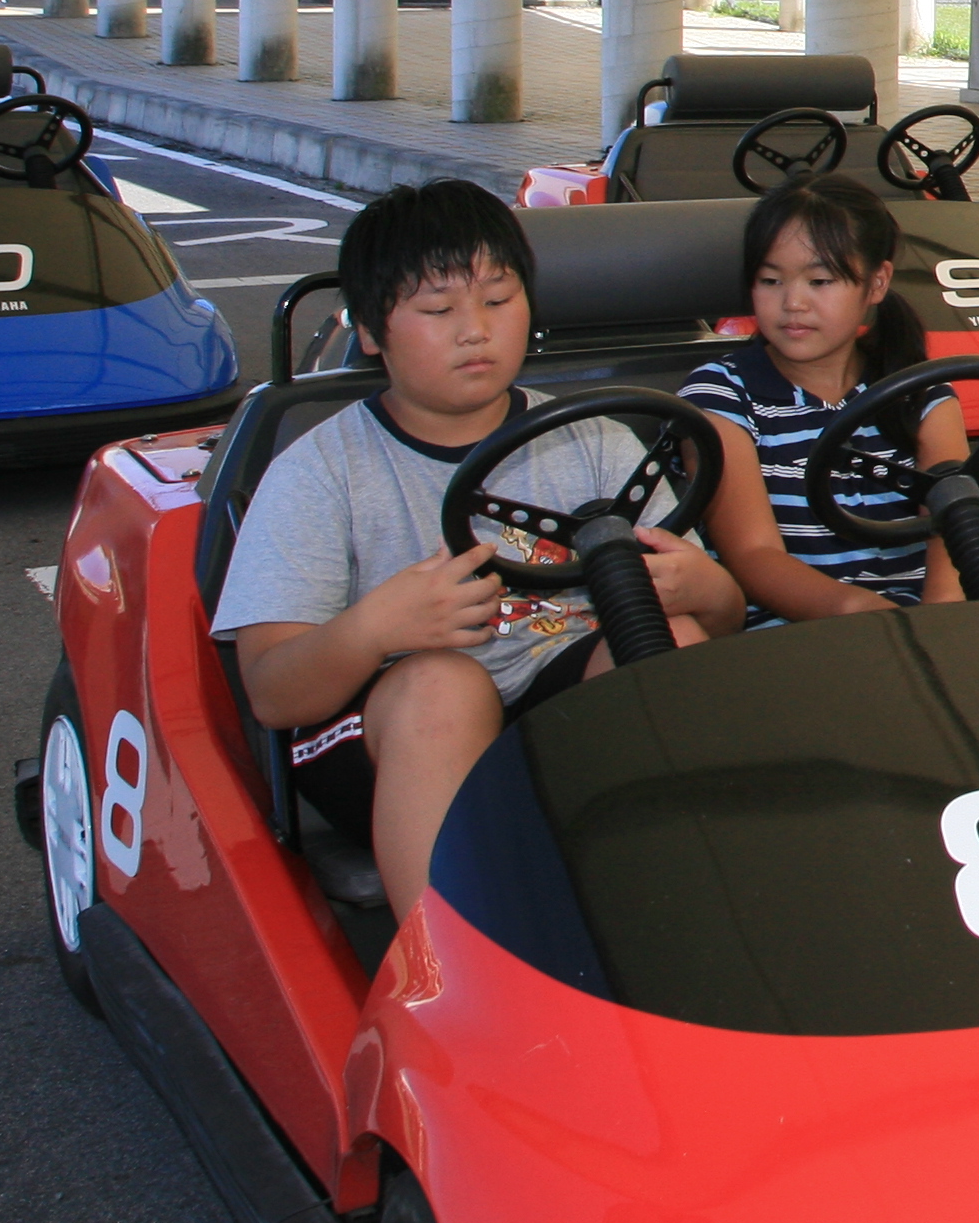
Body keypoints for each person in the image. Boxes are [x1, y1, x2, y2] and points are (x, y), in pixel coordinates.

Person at [216, 182, 742, 914]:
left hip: (554, 710)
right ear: (370, 331)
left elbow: (722, 614)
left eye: (498, 301)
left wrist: (698, 588)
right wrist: (376, 628)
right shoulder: (320, 471)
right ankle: (443, 977)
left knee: (672, 639)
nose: (476, 331)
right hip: (385, 735)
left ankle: (695, 910)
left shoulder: (592, 438)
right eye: (438, 310)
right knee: (444, 687)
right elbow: (272, 693)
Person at [687, 175, 976, 618]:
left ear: (877, 284)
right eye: (770, 280)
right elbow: (753, 555)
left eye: (820, 281)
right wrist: (869, 617)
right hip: (790, 633)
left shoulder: (918, 393)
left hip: (925, 621)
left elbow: (953, 524)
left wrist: (941, 614)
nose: (793, 303)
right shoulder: (721, 397)